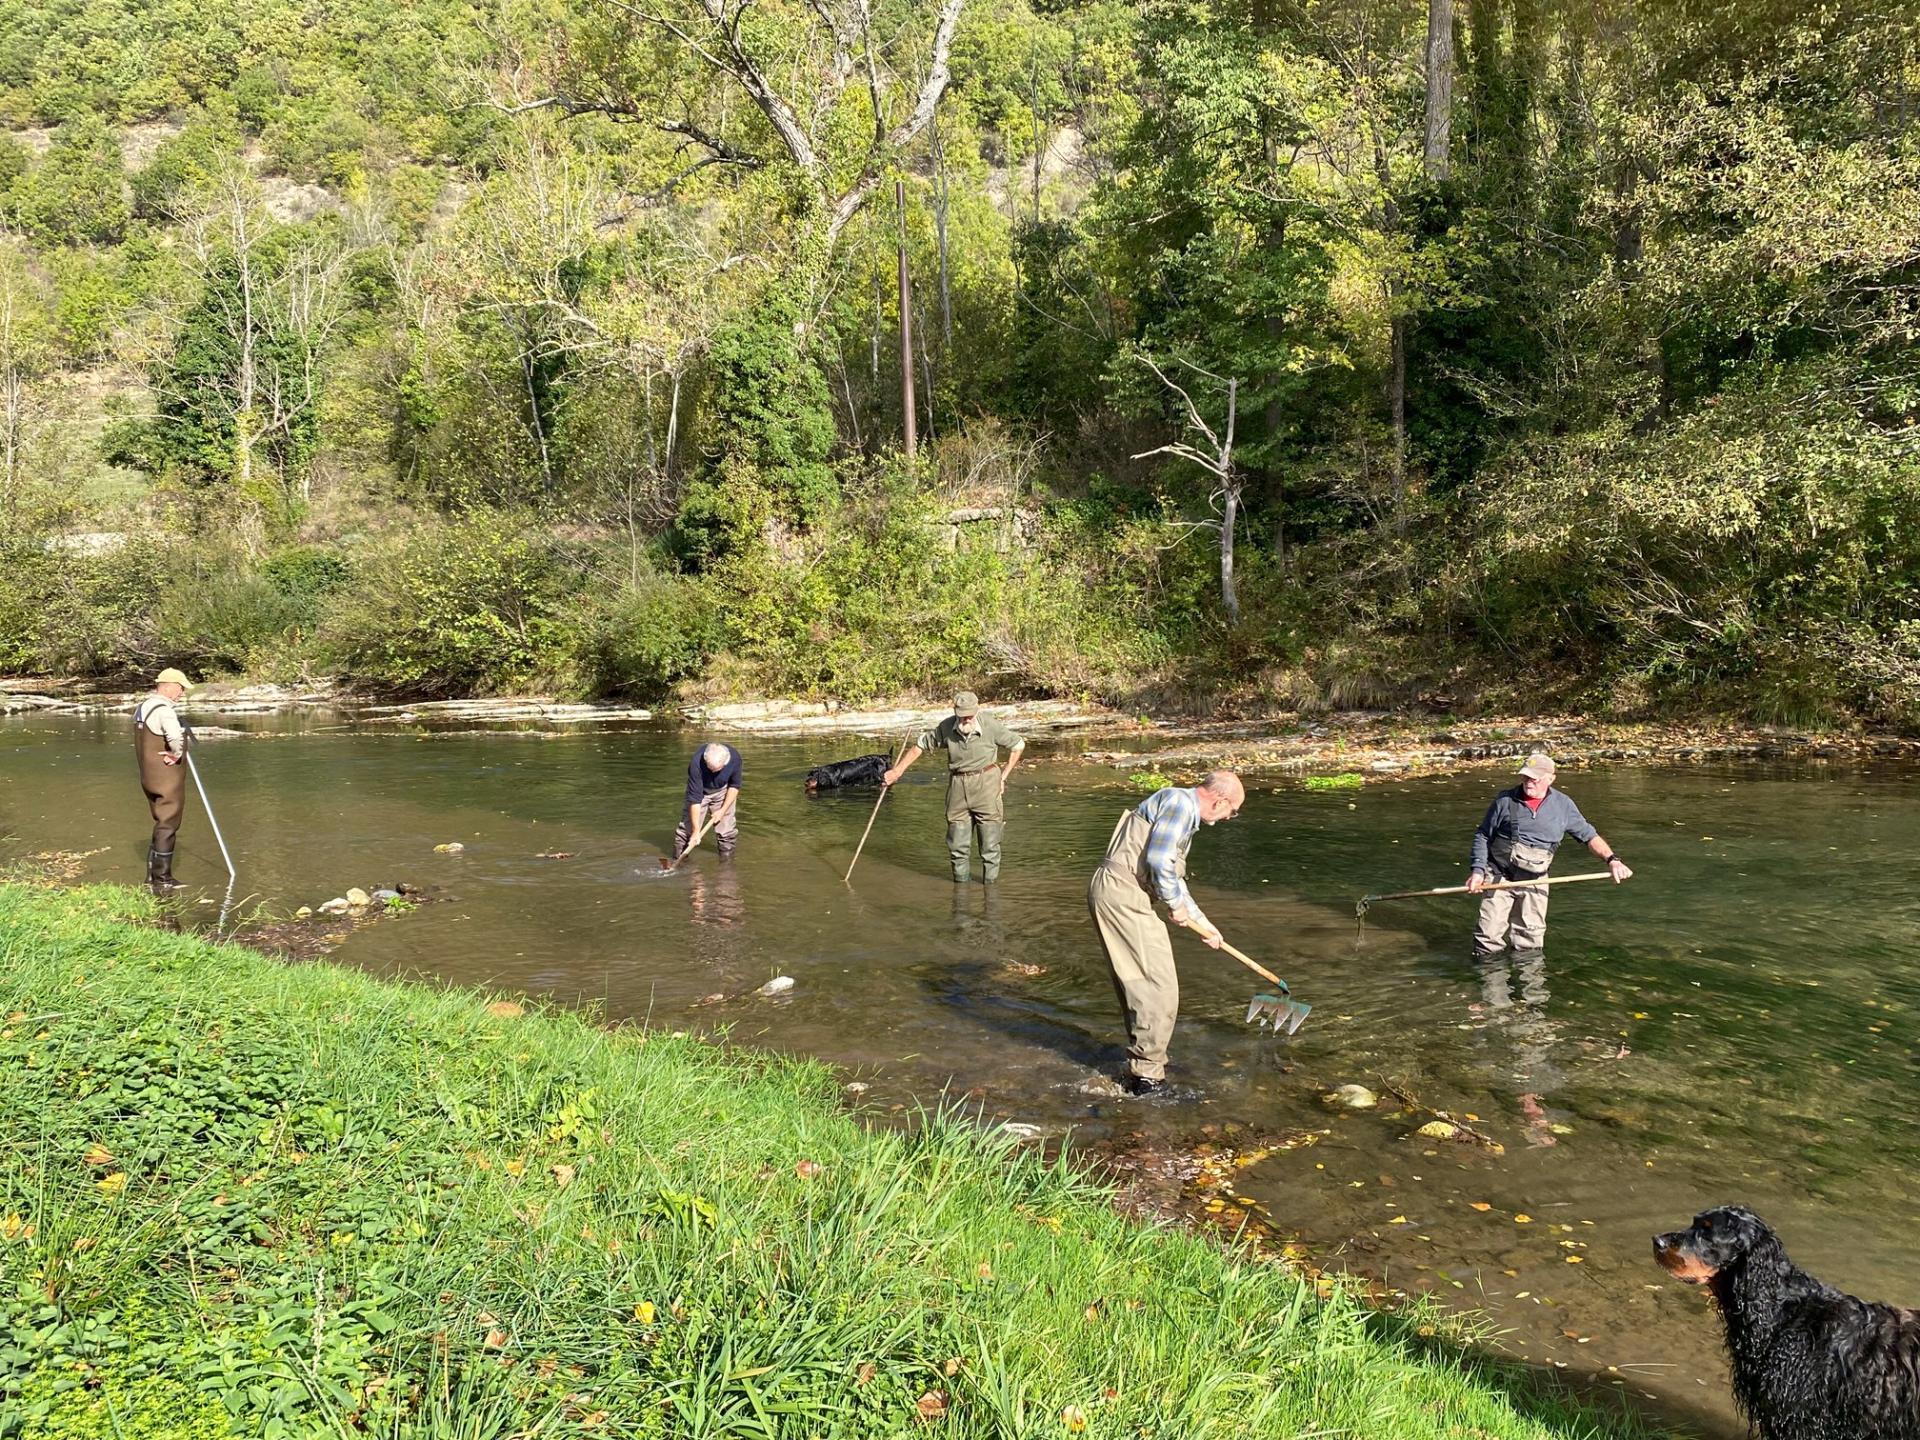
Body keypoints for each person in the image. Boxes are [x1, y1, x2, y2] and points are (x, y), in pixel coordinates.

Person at [1087, 771, 1246, 1096]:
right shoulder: (1180, 805)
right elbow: (1159, 861)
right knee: (1159, 987)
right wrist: (1174, 905)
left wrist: (1203, 922)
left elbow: (1172, 873)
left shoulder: (1177, 804)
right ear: (1220, 800)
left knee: (1139, 982)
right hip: (1124, 894)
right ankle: (1147, 1079)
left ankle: (1142, 1065)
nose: (1223, 821)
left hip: (1119, 891)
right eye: (1231, 813)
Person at [1467, 752, 1631, 953]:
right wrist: (1477, 871)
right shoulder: (1504, 801)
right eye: (1525, 777)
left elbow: (1590, 836)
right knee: (1487, 939)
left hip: (1536, 880)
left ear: (1550, 779)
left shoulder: (1563, 805)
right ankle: (1490, 978)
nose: (1529, 782)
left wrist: (1612, 860)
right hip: (1498, 876)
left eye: (1534, 778)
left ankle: (1530, 980)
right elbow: (1483, 835)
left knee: (1530, 942)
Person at [882, 691, 1024, 883]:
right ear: (955, 712)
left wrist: (1003, 777)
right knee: (957, 847)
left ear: (977, 711)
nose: (966, 720)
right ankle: (960, 894)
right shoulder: (946, 727)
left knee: (990, 846)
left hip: (987, 785)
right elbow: (920, 745)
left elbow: (1018, 744)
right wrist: (897, 771)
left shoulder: (991, 725)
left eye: (969, 716)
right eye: (962, 716)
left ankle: (991, 894)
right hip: (958, 787)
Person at [134, 668, 193, 889]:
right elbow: (174, 736)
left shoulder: (143, 707)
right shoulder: (164, 711)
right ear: (168, 686)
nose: (182, 693)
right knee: (169, 822)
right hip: (165, 776)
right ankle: (162, 879)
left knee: (161, 821)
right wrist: (176, 753)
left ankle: (151, 876)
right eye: (181, 688)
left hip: (148, 775)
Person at [676, 742, 741, 860]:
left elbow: (734, 786)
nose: (712, 772)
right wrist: (696, 831)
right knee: (687, 831)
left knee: (726, 832)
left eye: (716, 770)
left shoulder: (734, 758)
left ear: (725, 763)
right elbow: (695, 800)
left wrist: (722, 810)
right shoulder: (696, 763)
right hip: (701, 792)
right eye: (709, 768)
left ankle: (726, 865)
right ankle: (679, 861)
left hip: (723, 790)